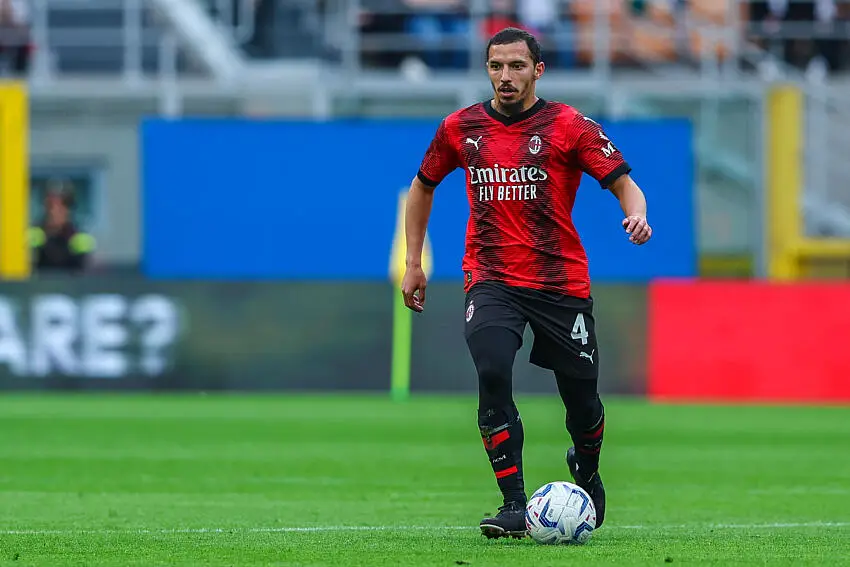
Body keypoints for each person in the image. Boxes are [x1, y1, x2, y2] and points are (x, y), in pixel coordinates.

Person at [400, 27, 652, 539]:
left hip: (559, 282)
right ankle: (514, 504)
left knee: (582, 403)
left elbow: (625, 184)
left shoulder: (569, 126)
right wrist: (413, 261)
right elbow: (422, 186)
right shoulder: (460, 127)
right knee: (492, 370)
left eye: (517, 66)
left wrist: (637, 215)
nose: (505, 76)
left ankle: (586, 468)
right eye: (496, 66)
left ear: (538, 70)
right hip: (490, 277)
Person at [28, 188, 96, 273]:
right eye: (51, 206)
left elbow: (85, 271)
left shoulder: (78, 238)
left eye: (61, 207)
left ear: (68, 211)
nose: (54, 212)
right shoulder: (34, 235)